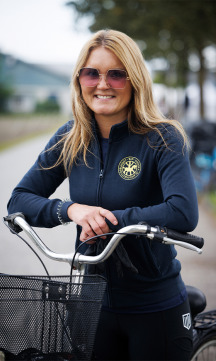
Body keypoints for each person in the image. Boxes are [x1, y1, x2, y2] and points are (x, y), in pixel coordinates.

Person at [7, 29, 198, 360]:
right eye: (91, 73)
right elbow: (19, 200)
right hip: (91, 304)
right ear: (80, 79)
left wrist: (113, 221)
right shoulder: (70, 137)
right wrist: (72, 210)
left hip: (155, 304)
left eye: (117, 74)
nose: (103, 83)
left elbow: (183, 212)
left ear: (135, 80)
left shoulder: (163, 137)